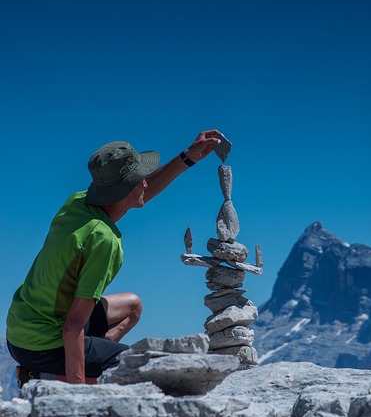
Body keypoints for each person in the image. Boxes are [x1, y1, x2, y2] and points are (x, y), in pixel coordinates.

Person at [6, 129, 222, 387]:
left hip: (19, 329)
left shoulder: (77, 203)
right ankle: (52, 378)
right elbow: (73, 326)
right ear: (122, 190)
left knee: (132, 306)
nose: (145, 182)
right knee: (140, 367)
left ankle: (91, 362)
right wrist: (76, 398)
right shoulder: (104, 240)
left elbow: (138, 192)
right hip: (43, 346)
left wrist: (188, 158)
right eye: (138, 178)